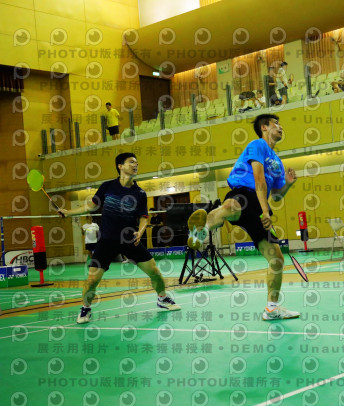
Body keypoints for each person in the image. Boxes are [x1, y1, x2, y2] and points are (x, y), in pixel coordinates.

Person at [186, 114, 299, 320]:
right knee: (231, 206)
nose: (280, 127)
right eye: (275, 123)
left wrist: (288, 184)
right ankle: (200, 231)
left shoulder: (277, 162)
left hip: (260, 205)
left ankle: (272, 309)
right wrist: (266, 211)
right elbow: (258, 179)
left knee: (276, 260)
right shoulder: (258, 145)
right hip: (246, 192)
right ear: (264, 128)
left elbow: (276, 195)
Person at [58, 152, 181, 323]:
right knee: (92, 279)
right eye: (131, 162)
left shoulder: (140, 193)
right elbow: (90, 206)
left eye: (137, 163)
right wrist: (68, 212)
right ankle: (85, 308)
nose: (136, 165)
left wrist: (141, 231)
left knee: (155, 272)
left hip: (130, 240)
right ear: (120, 166)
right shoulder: (107, 187)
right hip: (107, 240)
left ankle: (162, 298)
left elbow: (144, 217)